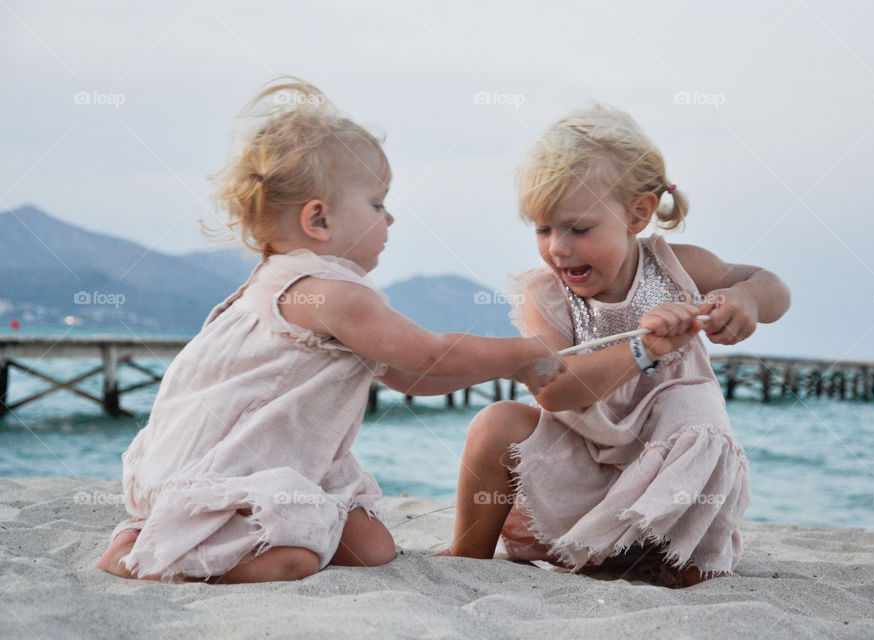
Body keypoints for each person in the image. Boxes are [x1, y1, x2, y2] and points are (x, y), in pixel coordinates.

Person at [94, 77, 564, 584]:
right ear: (319, 219)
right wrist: (517, 355)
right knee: (291, 559)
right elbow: (426, 354)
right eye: (377, 204)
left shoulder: (298, 284)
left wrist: (504, 370)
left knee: (372, 547)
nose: (391, 219)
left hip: (268, 463)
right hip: (231, 470)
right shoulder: (330, 294)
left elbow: (411, 378)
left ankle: (152, 535)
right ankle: (150, 556)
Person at [441, 104, 790, 587]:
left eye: (579, 228)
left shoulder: (677, 268)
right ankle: (467, 554)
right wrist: (644, 349)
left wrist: (745, 298)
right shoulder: (546, 294)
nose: (559, 248)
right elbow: (556, 390)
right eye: (544, 229)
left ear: (638, 213)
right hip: (584, 467)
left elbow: (767, 283)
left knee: (692, 400)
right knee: (495, 422)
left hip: (665, 472)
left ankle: (682, 561)